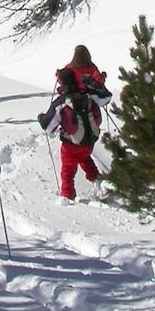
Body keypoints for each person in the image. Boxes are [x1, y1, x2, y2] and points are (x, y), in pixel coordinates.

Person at [37, 47, 112, 201]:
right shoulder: (88, 96)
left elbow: (48, 126)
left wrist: (41, 118)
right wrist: (95, 84)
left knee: (68, 170)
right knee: (85, 157)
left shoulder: (62, 102)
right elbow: (106, 98)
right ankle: (97, 181)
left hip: (70, 143)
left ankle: (67, 196)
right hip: (89, 140)